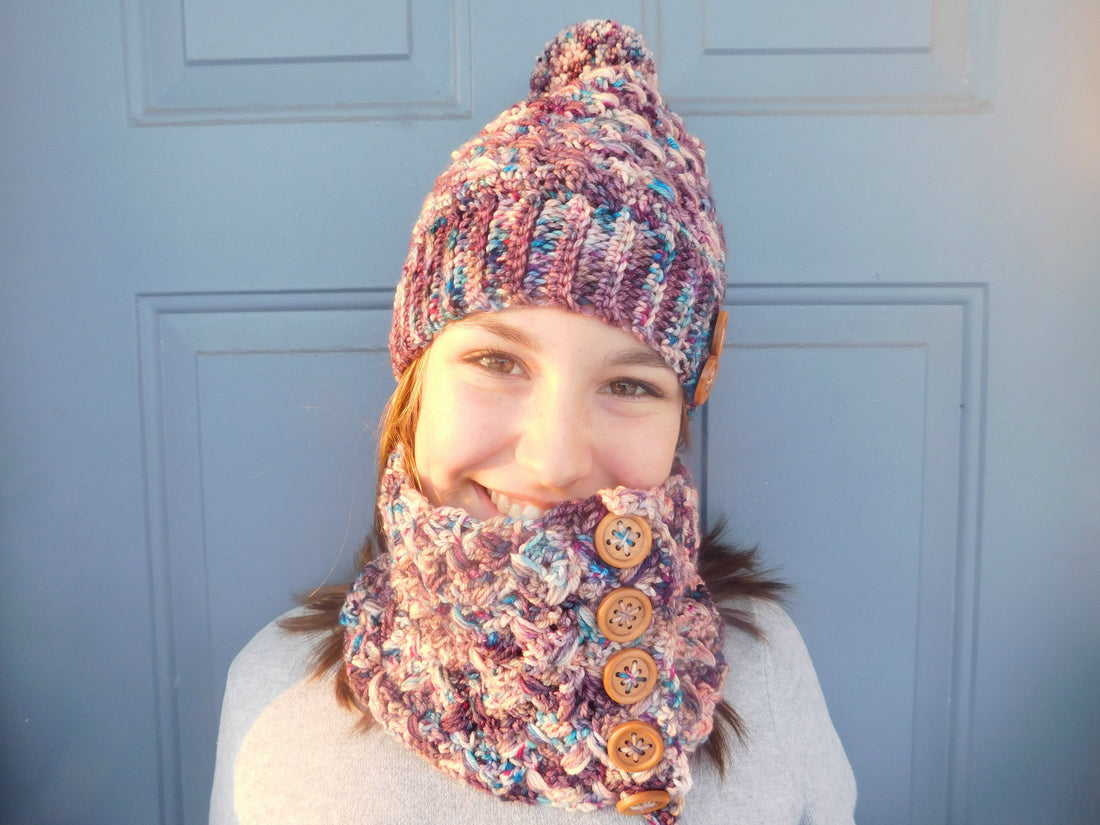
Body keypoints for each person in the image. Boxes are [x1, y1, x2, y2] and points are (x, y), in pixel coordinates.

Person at [210, 20, 856, 825]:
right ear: (416, 380)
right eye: (499, 362)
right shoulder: (275, 702)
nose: (552, 459)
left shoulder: (764, 667)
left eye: (628, 382)